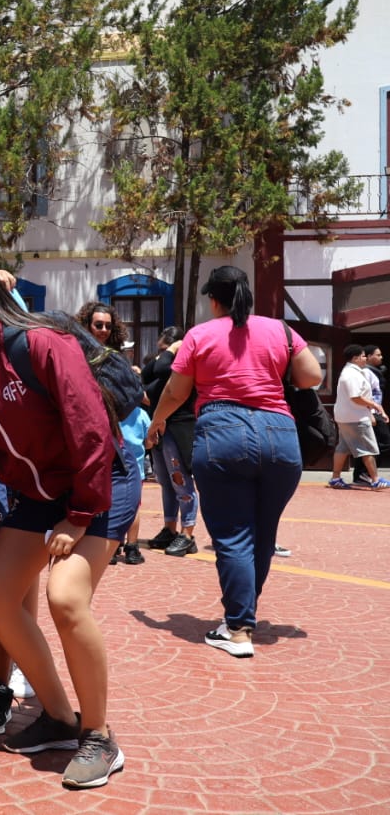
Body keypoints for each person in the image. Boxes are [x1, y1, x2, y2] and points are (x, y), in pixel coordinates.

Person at [0, 252, 135, 789]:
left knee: (66, 598)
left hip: (100, 485)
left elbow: (90, 425)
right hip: (37, 496)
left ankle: (99, 736)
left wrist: (79, 515)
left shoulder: (41, 343)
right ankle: (58, 719)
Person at [146, 265, 323, 660]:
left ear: (213, 299)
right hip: (280, 435)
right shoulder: (280, 330)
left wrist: (156, 423)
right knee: (261, 534)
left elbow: (176, 391)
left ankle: (239, 629)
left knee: (233, 536)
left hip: (223, 433)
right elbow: (311, 376)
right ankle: (242, 616)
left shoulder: (200, 334)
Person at [76, 302, 147, 566]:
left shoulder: (116, 359)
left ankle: (126, 546)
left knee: (128, 491)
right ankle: (103, 544)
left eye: (108, 325)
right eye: (98, 325)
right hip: (89, 437)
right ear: (86, 325)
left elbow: (134, 396)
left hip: (122, 435)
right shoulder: (76, 354)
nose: (104, 330)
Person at [141, 327, 200, 556]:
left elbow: (161, 367)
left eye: (166, 349)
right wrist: (164, 352)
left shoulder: (181, 365)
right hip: (160, 428)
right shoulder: (163, 369)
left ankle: (187, 534)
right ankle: (169, 528)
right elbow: (147, 375)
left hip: (179, 428)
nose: (161, 355)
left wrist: (173, 350)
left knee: (180, 480)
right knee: (166, 482)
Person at [328, 344, 388, 489]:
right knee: (367, 448)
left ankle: (335, 478)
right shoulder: (352, 374)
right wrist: (375, 406)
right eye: (362, 356)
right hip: (355, 417)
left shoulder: (351, 372)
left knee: (343, 447)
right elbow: (355, 397)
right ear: (355, 358)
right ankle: (375, 479)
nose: (365, 358)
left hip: (347, 416)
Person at [357, 345, 388, 483]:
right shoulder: (365, 372)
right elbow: (363, 395)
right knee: (381, 443)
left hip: (376, 411)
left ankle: (361, 474)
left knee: (371, 444)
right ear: (369, 357)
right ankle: (365, 473)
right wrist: (369, 413)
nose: (381, 357)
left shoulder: (375, 372)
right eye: (378, 355)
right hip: (370, 412)